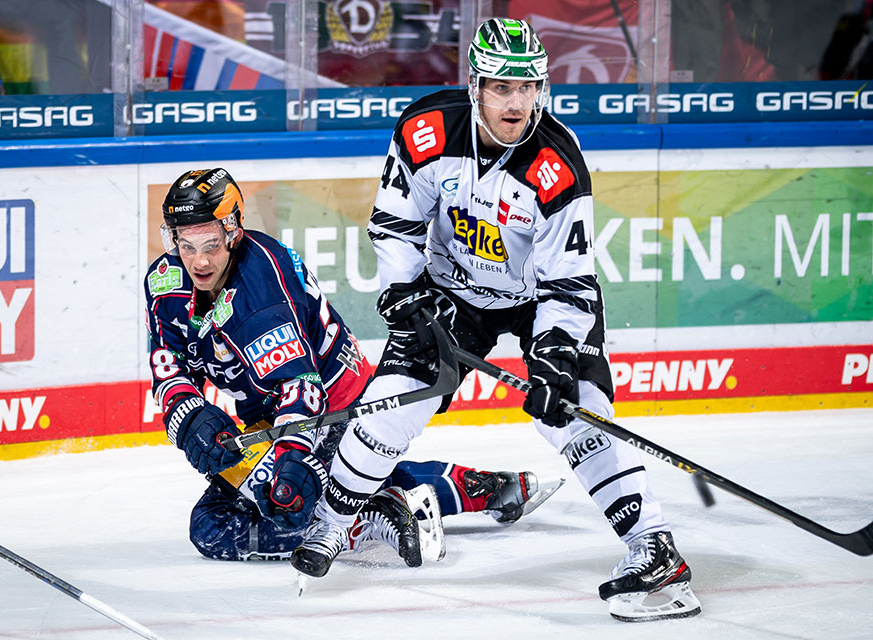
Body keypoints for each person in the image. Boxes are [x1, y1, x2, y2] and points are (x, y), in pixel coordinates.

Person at [290, 18, 701, 622]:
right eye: (502, 88)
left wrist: (555, 356)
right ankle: (329, 524)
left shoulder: (557, 166)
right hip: (452, 291)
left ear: (542, 90)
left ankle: (653, 548)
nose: (516, 102)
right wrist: (404, 295)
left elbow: (569, 278)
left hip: (543, 298)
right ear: (476, 87)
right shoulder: (426, 131)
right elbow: (395, 224)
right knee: (393, 402)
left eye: (528, 87)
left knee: (578, 414)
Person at [144, 167, 558, 565]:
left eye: (211, 244)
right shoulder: (164, 281)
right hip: (271, 415)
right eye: (186, 244)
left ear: (232, 231)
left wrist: (291, 457)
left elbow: (299, 387)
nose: (198, 261)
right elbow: (169, 364)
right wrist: (189, 412)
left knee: (222, 524)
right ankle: (472, 489)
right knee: (222, 519)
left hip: (334, 406)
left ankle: (360, 521)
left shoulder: (261, 291)